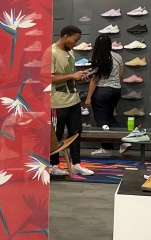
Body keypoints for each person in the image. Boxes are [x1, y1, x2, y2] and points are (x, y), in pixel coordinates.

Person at [50, 25, 93, 176]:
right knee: (56, 134)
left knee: (76, 133)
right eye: (75, 40)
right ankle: (53, 165)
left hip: (73, 99)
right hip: (57, 101)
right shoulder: (52, 52)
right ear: (65, 36)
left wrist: (80, 76)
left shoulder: (71, 52)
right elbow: (48, 77)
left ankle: (76, 163)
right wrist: (72, 76)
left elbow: (68, 76)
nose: (76, 44)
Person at [83, 34, 123, 157]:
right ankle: (123, 141)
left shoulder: (98, 58)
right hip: (116, 90)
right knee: (109, 117)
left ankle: (107, 148)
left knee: (102, 120)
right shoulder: (118, 56)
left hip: (101, 91)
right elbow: (121, 75)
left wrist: (88, 97)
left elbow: (94, 80)